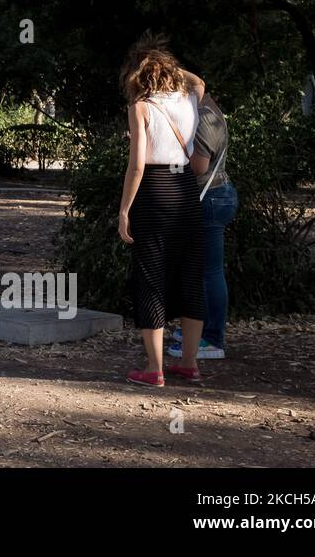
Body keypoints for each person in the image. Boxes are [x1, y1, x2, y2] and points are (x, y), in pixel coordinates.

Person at [116, 34, 206, 386]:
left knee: (151, 277)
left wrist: (124, 209)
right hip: (185, 190)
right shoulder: (189, 100)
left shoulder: (140, 107)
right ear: (168, 71)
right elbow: (199, 81)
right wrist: (165, 65)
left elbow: (136, 166)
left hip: (153, 193)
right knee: (190, 276)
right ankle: (190, 364)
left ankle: (155, 370)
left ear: (138, 75)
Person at [169, 92, 237, 360]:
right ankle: (200, 329)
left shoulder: (205, 118)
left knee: (210, 271)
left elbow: (198, 165)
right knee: (203, 270)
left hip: (210, 198)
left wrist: (170, 156)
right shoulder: (209, 111)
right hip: (214, 196)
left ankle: (211, 338)